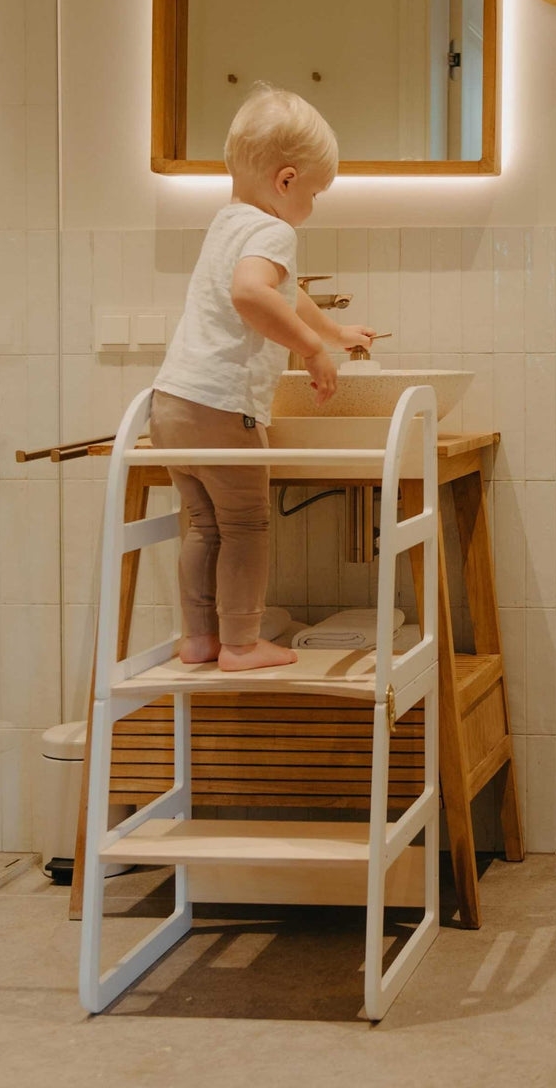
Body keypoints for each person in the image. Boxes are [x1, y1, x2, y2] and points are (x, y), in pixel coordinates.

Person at [149, 85, 374, 671]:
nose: (314, 206)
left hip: (171, 402)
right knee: (246, 525)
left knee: (203, 524)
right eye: (315, 194)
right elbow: (252, 293)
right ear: (287, 180)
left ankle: (199, 641)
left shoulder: (228, 223)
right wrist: (311, 353)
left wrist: (332, 332)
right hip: (221, 409)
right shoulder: (276, 231)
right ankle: (242, 645)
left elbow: (284, 291)